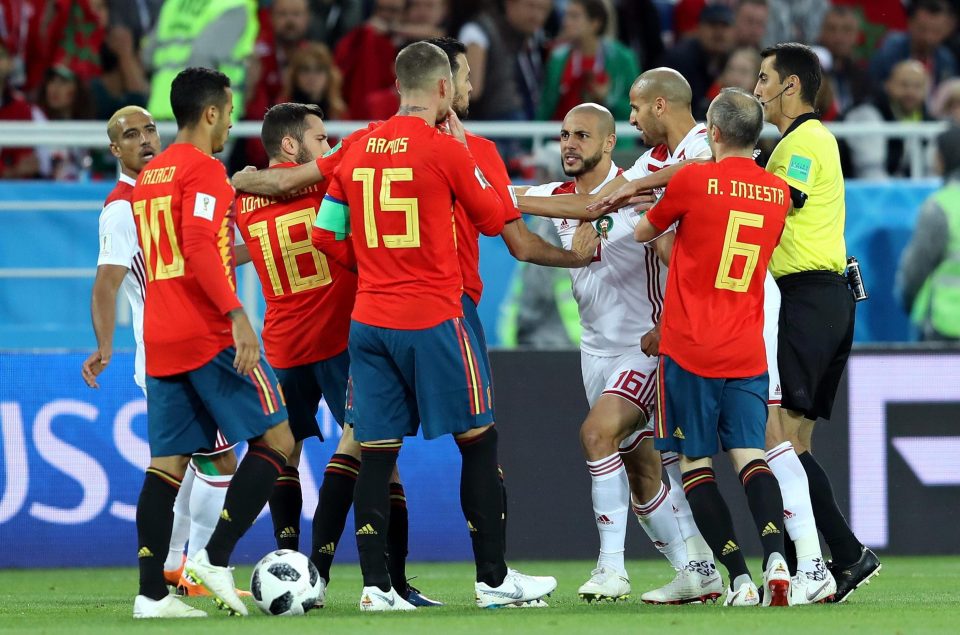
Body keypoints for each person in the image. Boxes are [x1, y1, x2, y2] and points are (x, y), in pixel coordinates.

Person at [314, 41, 556, 611]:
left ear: (399, 87)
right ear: (444, 88)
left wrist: (372, 268)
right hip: (435, 317)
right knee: (478, 441)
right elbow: (496, 218)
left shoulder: (354, 146)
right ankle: (494, 582)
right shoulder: (445, 149)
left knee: (374, 451)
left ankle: (376, 589)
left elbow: (326, 233)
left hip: (369, 322)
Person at [233, 101, 440, 608]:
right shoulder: (330, 179)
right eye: (320, 138)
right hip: (341, 343)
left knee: (283, 455)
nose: (328, 146)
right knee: (379, 460)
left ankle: (292, 568)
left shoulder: (241, 198)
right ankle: (377, 581)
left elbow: (231, 246)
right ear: (291, 144)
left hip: (281, 344)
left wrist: (243, 178)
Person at [519, 103, 724, 604]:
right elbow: (510, 208)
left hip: (646, 348)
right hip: (595, 353)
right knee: (642, 474)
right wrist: (570, 256)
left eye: (582, 136)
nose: (569, 144)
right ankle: (697, 572)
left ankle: (611, 569)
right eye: (564, 135)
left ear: (609, 142)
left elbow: (681, 253)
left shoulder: (641, 189)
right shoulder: (556, 197)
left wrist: (670, 320)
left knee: (595, 434)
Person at [129, 67, 294, 618]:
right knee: (277, 439)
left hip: (161, 332)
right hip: (207, 332)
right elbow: (201, 247)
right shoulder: (204, 171)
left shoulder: (151, 175)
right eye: (227, 112)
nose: (230, 122)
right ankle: (214, 558)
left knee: (167, 464)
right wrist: (237, 315)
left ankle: (151, 596)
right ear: (209, 113)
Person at [635, 87, 792, 607]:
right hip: (746, 347)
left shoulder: (692, 179)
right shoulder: (776, 193)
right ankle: (776, 561)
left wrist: (664, 223)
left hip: (690, 348)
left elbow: (643, 234)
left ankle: (739, 579)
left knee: (696, 464)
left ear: (714, 133)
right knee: (751, 455)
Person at [82, 104, 242, 601]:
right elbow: (107, 282)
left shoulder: (162, 189)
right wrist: (105, 344)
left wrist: (260, 244)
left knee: (189, 463)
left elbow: (200, 257)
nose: (145, 139)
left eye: (150, 129)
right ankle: (195, 564)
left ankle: (175, 568)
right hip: (175, 351)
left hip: (181, 347)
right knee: (217, 463)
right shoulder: (121, 207)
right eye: (131, 135)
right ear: (115, 150)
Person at [755, 42, 880, 603]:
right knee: (792, 441)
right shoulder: (794, 143)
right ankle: (816, 563)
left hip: (807, 297)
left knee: (776, 437)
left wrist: (729, 173)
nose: (757, 89)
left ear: (791, 86)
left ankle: (834, 557)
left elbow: (786, 198)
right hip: (823, 297)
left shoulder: (805, 141)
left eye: (763, 79)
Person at [896, 125, 960, 343]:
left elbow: (916, 268)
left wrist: (907, 299)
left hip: (946, 326)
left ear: (944, 158)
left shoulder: (939, 207)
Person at [145, 0, 259, 121]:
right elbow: (202, 57)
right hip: (202, 118)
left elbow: (147, 57)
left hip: (161, 110)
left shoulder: (174, 4)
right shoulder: (233, 4)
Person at [536, 0, 639, 122]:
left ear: (595, 23)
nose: (565, 22)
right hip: (560, 136)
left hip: (609, 137)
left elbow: (639, 109)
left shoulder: (623, 59)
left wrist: (608, 98)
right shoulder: (557, 58)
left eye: (574, 16)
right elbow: (545, 107)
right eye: (566, 15)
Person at [842, 60, 933, 179]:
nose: (910, 92)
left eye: (917, 86)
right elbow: (871, 174)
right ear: (888, 84)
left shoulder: (930, 121)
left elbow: (931, 170)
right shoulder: (866, 115)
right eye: (904, 85)